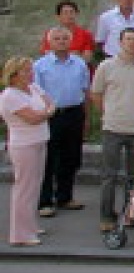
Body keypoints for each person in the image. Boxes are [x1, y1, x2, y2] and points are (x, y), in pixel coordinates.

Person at [90, 27, 134, 234]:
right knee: (109, 175)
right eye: (128, 39)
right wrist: (108, 112)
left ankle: (131, 213)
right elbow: (96, 94)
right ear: (120, 42)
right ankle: (106, 216)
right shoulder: (106, 66)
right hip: (113, 127)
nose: (132, 43)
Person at [34, 28, 89, 217]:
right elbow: (35, 93)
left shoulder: (79, 64)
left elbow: (85, 91)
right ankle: (45, 201)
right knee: (48, 159)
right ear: (49, 42)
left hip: (74, 114)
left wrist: (86, 116)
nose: (61, 41)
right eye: (57, 39)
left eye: (65, 38)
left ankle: (65, 197)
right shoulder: (40, 66)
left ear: (71, 41)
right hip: (51, 116)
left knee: (71, 157)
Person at [2, 58, 55, 247]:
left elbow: (50, 103)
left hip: (40, 140)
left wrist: (45, 113)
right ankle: (19, 234)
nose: (30, 74)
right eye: (25, 71)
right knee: (24, 188)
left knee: (34, 186)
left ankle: (30, 225)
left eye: (30, 70)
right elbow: (32, 118)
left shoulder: (33, 88)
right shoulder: (10, 95)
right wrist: (46, 113)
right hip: (24, 144)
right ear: (14, 75)